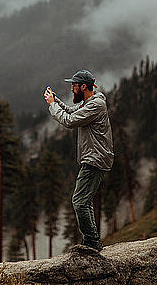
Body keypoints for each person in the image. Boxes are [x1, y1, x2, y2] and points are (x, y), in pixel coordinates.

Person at [43, 69, 114, 251]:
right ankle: (92, 240)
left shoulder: (95, 105)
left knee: (80, 201)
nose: (72, 89)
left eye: (74, 86)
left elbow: (68, 120)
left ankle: (91, 242)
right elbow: (69, 110)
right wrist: (55, 100)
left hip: (95, 159)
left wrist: (52, 105)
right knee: (84, 201)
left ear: (84, 86)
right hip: (93, 158)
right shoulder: (90, 102)